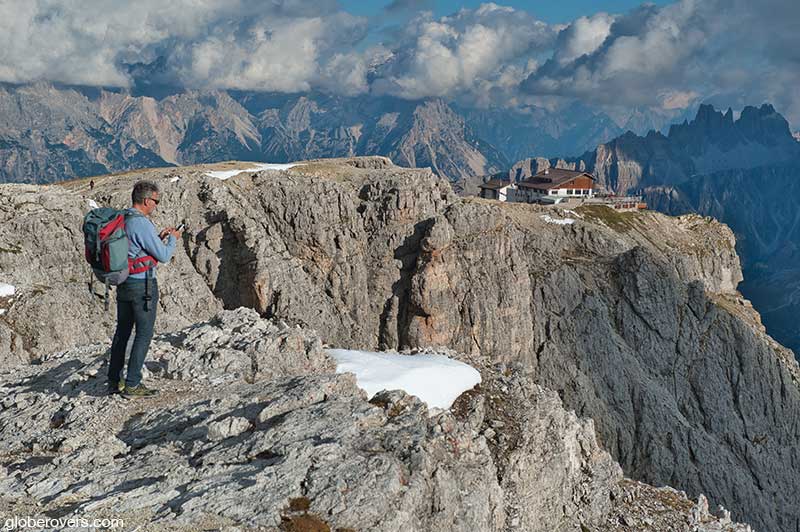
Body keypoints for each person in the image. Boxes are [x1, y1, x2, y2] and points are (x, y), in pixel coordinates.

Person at [107, 181, 181, 397]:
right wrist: (172, 240)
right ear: (147, 200)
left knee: (122, 332)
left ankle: (114, 381)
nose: (156, 205)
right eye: (156, 201)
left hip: (123, 283)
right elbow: (164, 256)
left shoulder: (123, 218)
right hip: (143, 285)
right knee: (144, 333)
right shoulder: (142, 224)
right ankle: (132, 384)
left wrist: (157, 239)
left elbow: (135, 249)